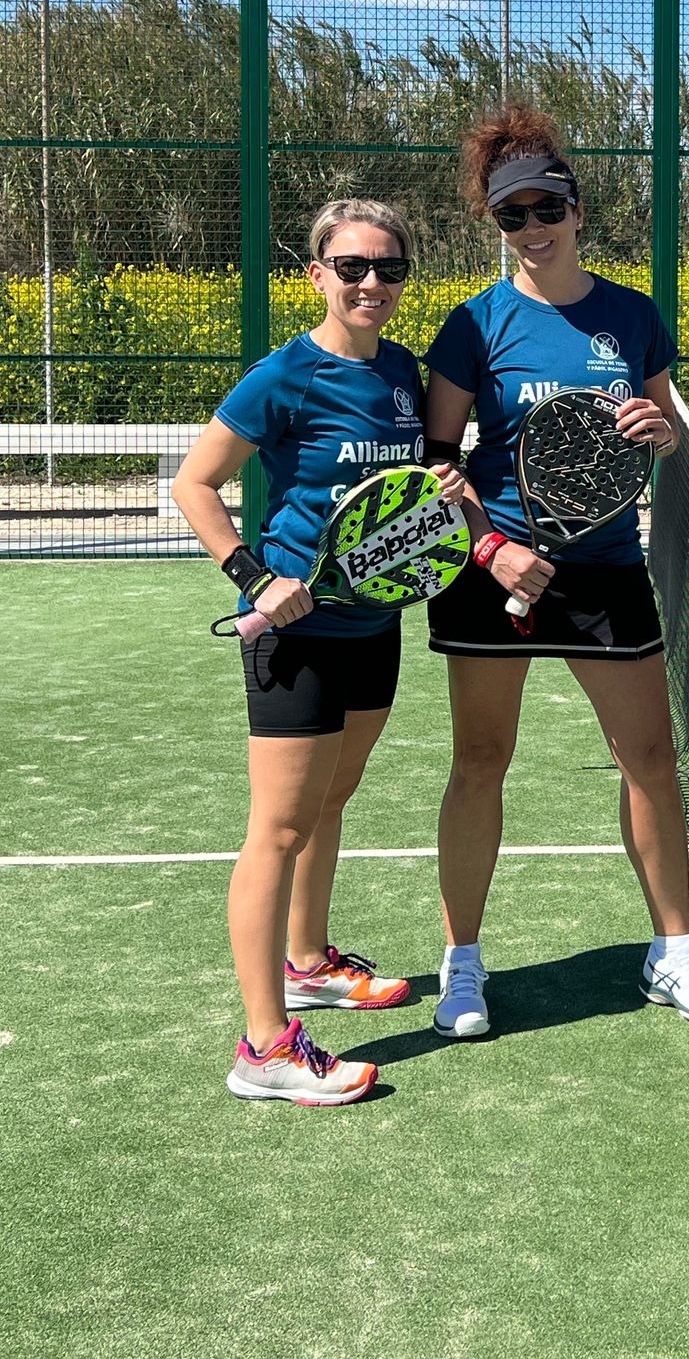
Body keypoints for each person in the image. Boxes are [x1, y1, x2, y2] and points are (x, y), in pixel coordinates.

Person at [421, 105, 689, 1038]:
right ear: (496, 224)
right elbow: (437, 463)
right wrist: (493, 549)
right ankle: (462, 965)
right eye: (512, 215)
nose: (533, 228)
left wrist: (662, 432)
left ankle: (675, 950)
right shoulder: (474, 325)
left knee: (650, 759)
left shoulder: (632, 315)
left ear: (577, 209)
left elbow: (663, 431)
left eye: (546, 208)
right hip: (494, 571)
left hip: (606, 571)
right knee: (481, 761)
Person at [173, 199, 464, 1105]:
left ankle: (306, 962)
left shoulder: (404, 375)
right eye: (352, 267)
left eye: (389, 267)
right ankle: (264, 1047)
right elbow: (195, 483)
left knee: (333, 798)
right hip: (293, 638)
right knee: (279, 829)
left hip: (374, 626)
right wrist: (256, 578)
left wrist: (442, 488)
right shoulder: (282, 377)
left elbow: (399, 492)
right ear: (317, 275)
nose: (372, 283)